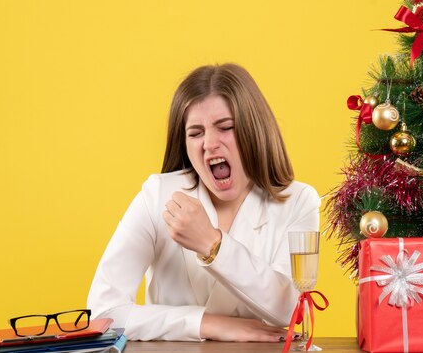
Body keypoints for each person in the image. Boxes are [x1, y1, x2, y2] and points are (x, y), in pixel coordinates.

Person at [87, 63, 320, 342]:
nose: (210, 144)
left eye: (226, 127)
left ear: (254, 131)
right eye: (195, 133)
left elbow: (288, 309)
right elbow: (103, 313)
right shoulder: (157, 195)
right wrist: (207, 324)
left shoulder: (299, 201)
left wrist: (212, 245)